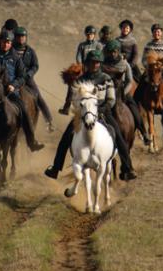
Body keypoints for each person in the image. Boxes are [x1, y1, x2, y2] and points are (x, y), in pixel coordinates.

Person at [44, 50, 136, 181]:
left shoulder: (106, 79)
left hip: (103, 111)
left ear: (100, 64)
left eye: (97, 62)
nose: (95, 65)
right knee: (66, 137)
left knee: (118, 136)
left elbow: (111, 99)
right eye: (92, 62)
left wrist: (100, 109)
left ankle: (127, 168)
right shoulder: (80, 80)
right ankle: (56, 168)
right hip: (83, 113)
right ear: (87, 63)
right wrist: (83, 110)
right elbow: (75, 100)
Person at [0, 30, 44, 153]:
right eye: (4, 42)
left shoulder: (16, 58)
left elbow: (22, 76)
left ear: (11, 43)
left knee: (24, 110)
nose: (6, 44)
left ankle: (32, 142)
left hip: (11, 93)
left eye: (8, 42)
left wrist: (14, 85)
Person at [12, 27, 54, 131]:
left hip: (27, 79)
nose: (21, 38)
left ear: (26, 38)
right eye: (19, 36)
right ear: (15, 37)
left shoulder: (30, 51)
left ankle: (49, 121)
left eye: (23, 36)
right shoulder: (11, 50)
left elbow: (35, 66)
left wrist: (29, 74)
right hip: (13, 79)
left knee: (38, 97)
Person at [101, 39, 143, 138]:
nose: (112, 54)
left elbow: (129, 81)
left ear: (118, 51)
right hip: (105, 92)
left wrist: (123, 93)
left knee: (134, 108)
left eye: (114, 51)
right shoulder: (102, 64)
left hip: (122, 91)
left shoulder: (124, 64)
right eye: (110, 52)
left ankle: (143, 131)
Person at [62, 25, 99, 115]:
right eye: (88, 34)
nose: (90, 36)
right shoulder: (82, 45)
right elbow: (78, 57)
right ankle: (66, 107)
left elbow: (100, 56)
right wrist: (81, 65)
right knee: (72, 85)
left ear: (94, 35)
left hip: (95, 68)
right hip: (83, 69)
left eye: (91, 34)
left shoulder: (98, 45)